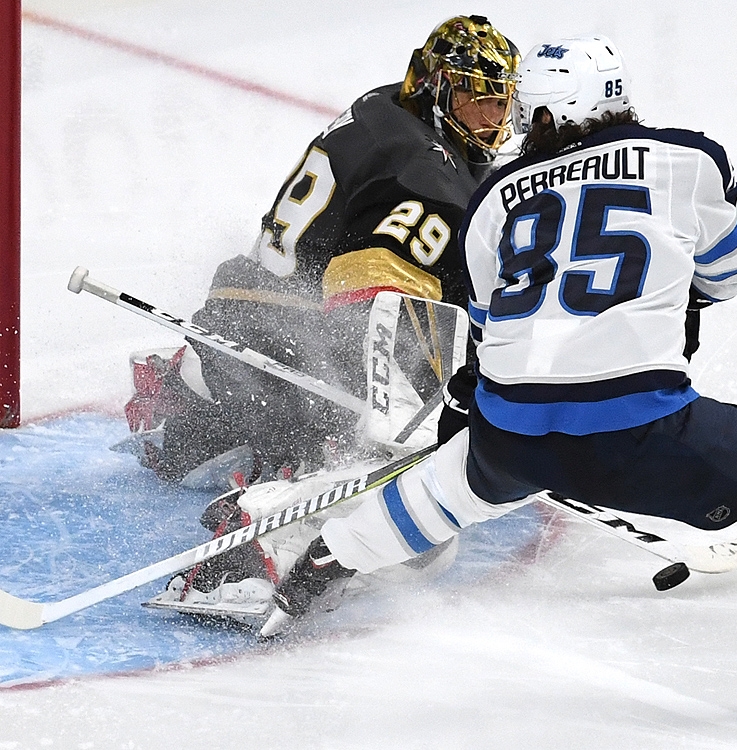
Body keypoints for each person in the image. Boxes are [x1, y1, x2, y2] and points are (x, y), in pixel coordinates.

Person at [258, 36, 737, 728]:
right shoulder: (684, 159)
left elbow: (491, 320)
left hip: (510, 428)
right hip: (639, 427)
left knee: (447, 489)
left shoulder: (496, 195)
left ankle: (316, 573)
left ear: (543, 112)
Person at [124, 15, 520, 484]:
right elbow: (374, 303)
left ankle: (184, 385)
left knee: (209, 445)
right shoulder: (420, 172)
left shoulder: (390, 105)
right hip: (278, 340)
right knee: (324, 454)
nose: (494, 119)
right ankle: (194, 393)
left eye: (502, 101)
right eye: (479, 100)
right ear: (438, 90)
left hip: (248, 307)